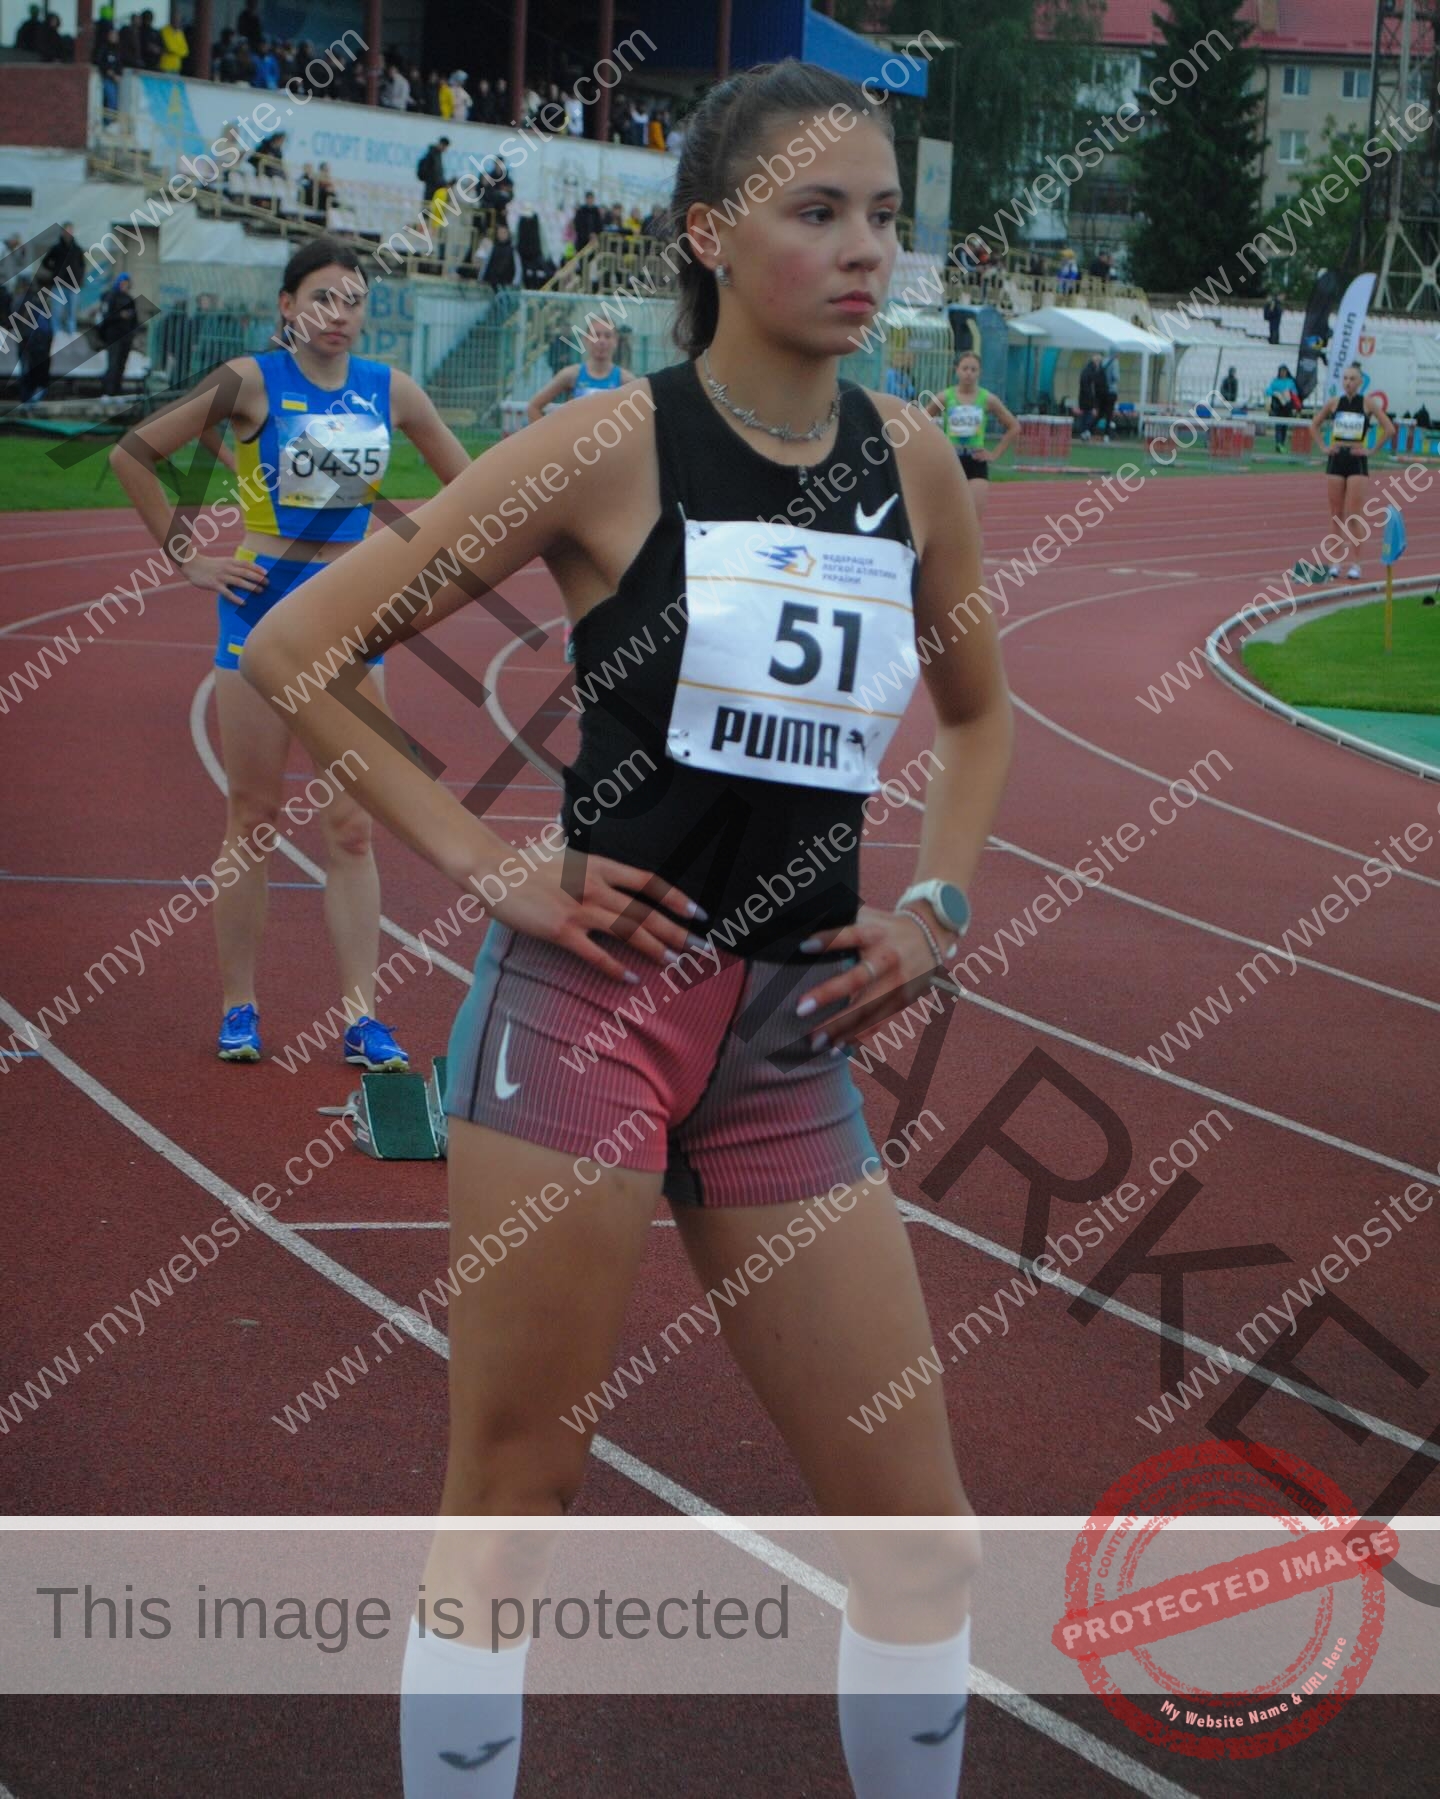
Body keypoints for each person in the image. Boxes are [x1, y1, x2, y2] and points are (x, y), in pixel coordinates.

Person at [240, 65, 1003, 1799]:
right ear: (710, 234)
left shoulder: (915, 462)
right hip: (588, 1013)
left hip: (789, 1038)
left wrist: (939, 902)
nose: (866, 250)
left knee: (925, 1542)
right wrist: (488, 863)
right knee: (515, 1500)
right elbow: (299, 648)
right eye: (818, 212)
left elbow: (980, 718)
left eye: (885, 215)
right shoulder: (608, 446)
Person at [108, 237, 473, 1067]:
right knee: (254, 816)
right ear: (287, 306)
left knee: (352, 828)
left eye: (353, 300)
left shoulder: (391, 389)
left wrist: (412, 574)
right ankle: (239, 1006)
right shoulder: (249, 381)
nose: (339, 314)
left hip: (350, 622)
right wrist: (188, 559)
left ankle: (361, 1017)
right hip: (259, 614)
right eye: (321, 298)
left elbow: (472, 489)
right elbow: (134, 452)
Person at [1310, 361, 1396, 580]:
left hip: (1357, 461)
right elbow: (1314, 425)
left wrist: (1371, 450)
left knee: (1354, 516)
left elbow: (1389, 429)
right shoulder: (1334, 403)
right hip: (1337, 459)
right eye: (1345, 378)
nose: (1348, 382)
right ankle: (1335, 562)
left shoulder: (1367, 403)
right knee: (1336, 515)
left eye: (1352, 379)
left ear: (1360, 382)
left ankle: (1356, 563)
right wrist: (1324, 447)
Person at [924, 347, 1019, 524]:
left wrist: (994, 454)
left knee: (973, 521)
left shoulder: (987, 399)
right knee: (946, 519)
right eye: (965, 368)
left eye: (973, 369)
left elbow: (1014, 427)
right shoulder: (945, 397)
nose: (969, 373)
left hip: (976, 461)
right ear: (957, 370)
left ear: (979, 373)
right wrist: (935, 446)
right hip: (951, 461)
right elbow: (920, 421)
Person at [524, 313, 635, 423]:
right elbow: (533, 408)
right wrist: (549, 434)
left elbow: (641, 417)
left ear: (615, 341)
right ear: (586, 339)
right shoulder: (571, 375)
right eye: (596, 335)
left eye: (607, 336)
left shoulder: (626, 380)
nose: (602, 341)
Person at [98, 271, 139, 396]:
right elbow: (106, 316)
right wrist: (120, 315)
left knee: (121, 365)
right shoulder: (111, 297)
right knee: (113, 364)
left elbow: (135, 319)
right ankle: (108, 391)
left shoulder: (129, 299)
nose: (125, 286)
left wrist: (132, 333)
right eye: (123, 283)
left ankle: (117, 390)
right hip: (114, 336)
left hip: (126, 337)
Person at [39, 222, 85, 335]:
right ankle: (57, 334)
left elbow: (82, 265)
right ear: (62, 232)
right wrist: (55, 270)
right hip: (58, 284)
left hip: (73, 284)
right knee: (57, 311)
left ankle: (71, 333)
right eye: (66, 230)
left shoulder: (77, 249)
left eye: (70, 230)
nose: (68, 233)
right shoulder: (56, 248)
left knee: (72, 311)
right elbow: (45, 262)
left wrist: (79, 277)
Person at [1265, 362, 1300, 450]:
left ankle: (1282, 443)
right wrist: (1277, 394)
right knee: (1278, 425)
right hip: (1278, 407)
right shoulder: (1275, 381)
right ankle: (1278, 443)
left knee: (1284, 426)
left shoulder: (1290, 382)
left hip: (1287, 407)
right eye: (1281, 371)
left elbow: (1295, 393)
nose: (1282, 373)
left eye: (1284, 371)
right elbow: (1268, 391)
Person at [1075, 350, 1109, 439]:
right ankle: (1085, 431)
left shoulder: (1088, 370)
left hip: (1086, 397)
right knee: (1088, 415)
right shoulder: (1090, 371)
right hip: (1088, 398)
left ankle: (1084, 432)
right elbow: (1088, 386)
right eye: (1098, 361)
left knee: (1086, 415)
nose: (1099, 363)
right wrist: (1092, 398)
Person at [417, 136, 448, 203]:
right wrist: (440, 182)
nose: (445, 149)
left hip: (434, 185)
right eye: (445, 146)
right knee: (428, 204)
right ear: (441, 144)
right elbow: (435, 173)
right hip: (431, 185)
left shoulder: (437, 154)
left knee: (430, 204)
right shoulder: (432, 155)